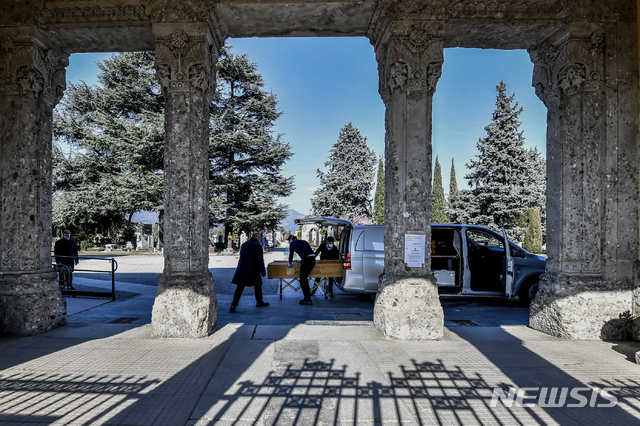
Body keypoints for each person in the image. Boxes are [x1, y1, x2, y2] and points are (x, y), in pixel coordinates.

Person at [230, 232, 269, 312]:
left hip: (243, 269)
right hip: (253, 270)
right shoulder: (257, 246)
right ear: (258, 237)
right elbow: (260, 260)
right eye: (259, 237)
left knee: (240, 288)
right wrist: (263, 271)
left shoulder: (244, 244)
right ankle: (259, 301)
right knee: (258, 286)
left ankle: (233, 304)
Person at [288, 235, 316, 305]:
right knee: (304, 279)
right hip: (313, 259)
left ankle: (308, 299)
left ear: (291, 239)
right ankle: (306, 298)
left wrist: (290, 263)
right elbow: (308, 251)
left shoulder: (292, 243)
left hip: (306, 260)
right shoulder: (304, 241)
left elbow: (291, 255)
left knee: (303, 280)